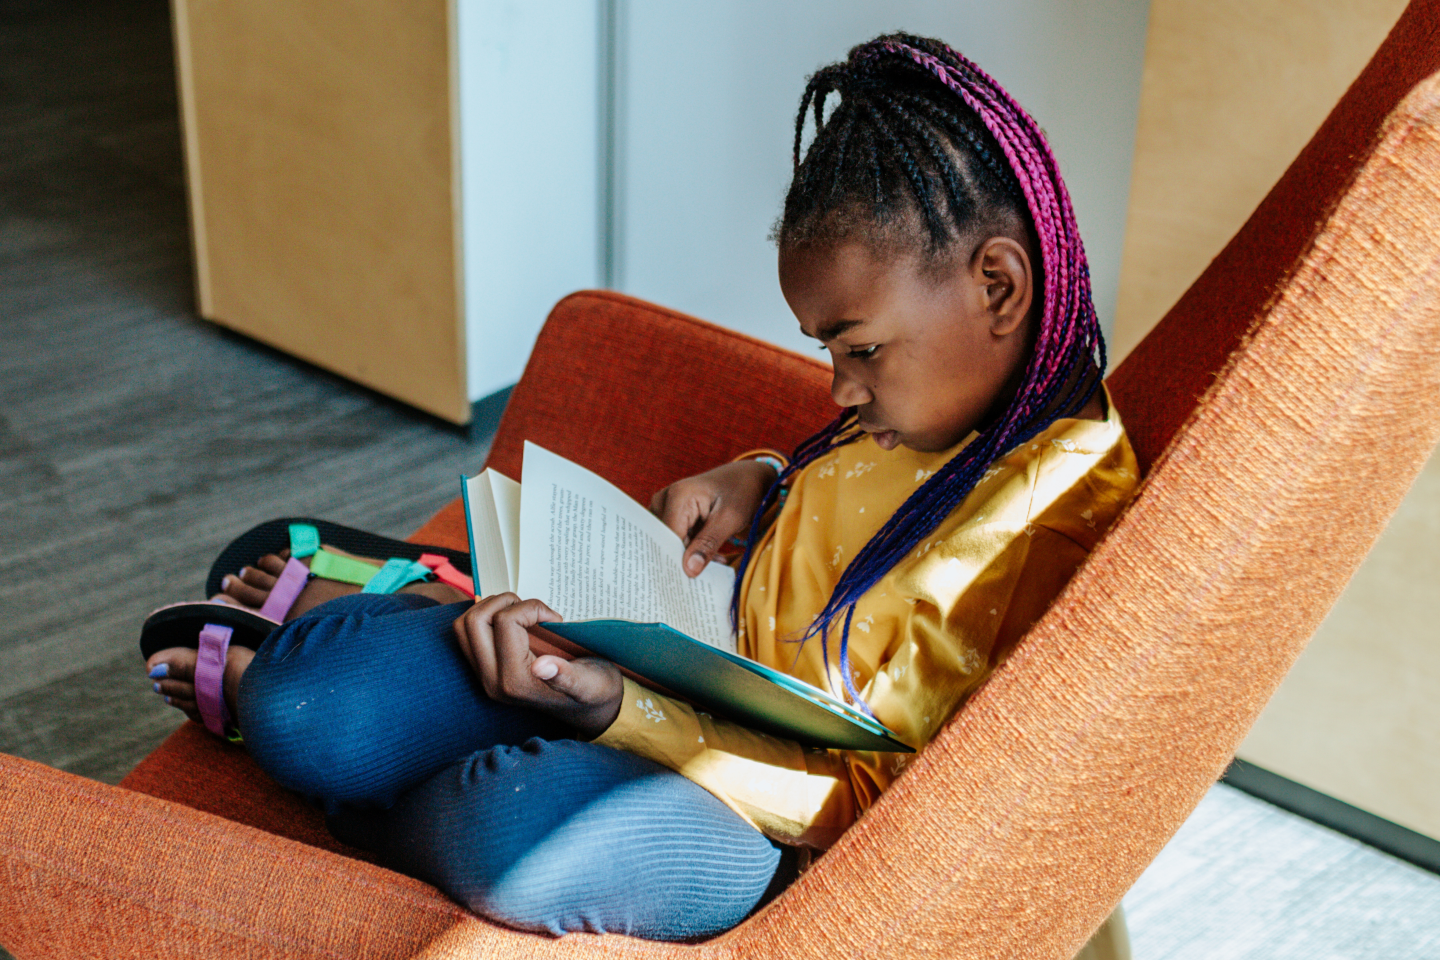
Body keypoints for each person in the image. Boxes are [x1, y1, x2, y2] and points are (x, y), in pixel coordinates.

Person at [143, 34, 1138, 943]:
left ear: (999, 287)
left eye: (859, 348)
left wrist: (612, 707)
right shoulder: (949, 396)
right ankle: (403, 665)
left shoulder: (1057, 517)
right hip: (675, 652)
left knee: (508, 836)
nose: (840, 387)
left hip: (756, 817)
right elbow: (852, 492)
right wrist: (764, 475)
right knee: (303, 707)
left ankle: (411, 679)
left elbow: (877, 791)